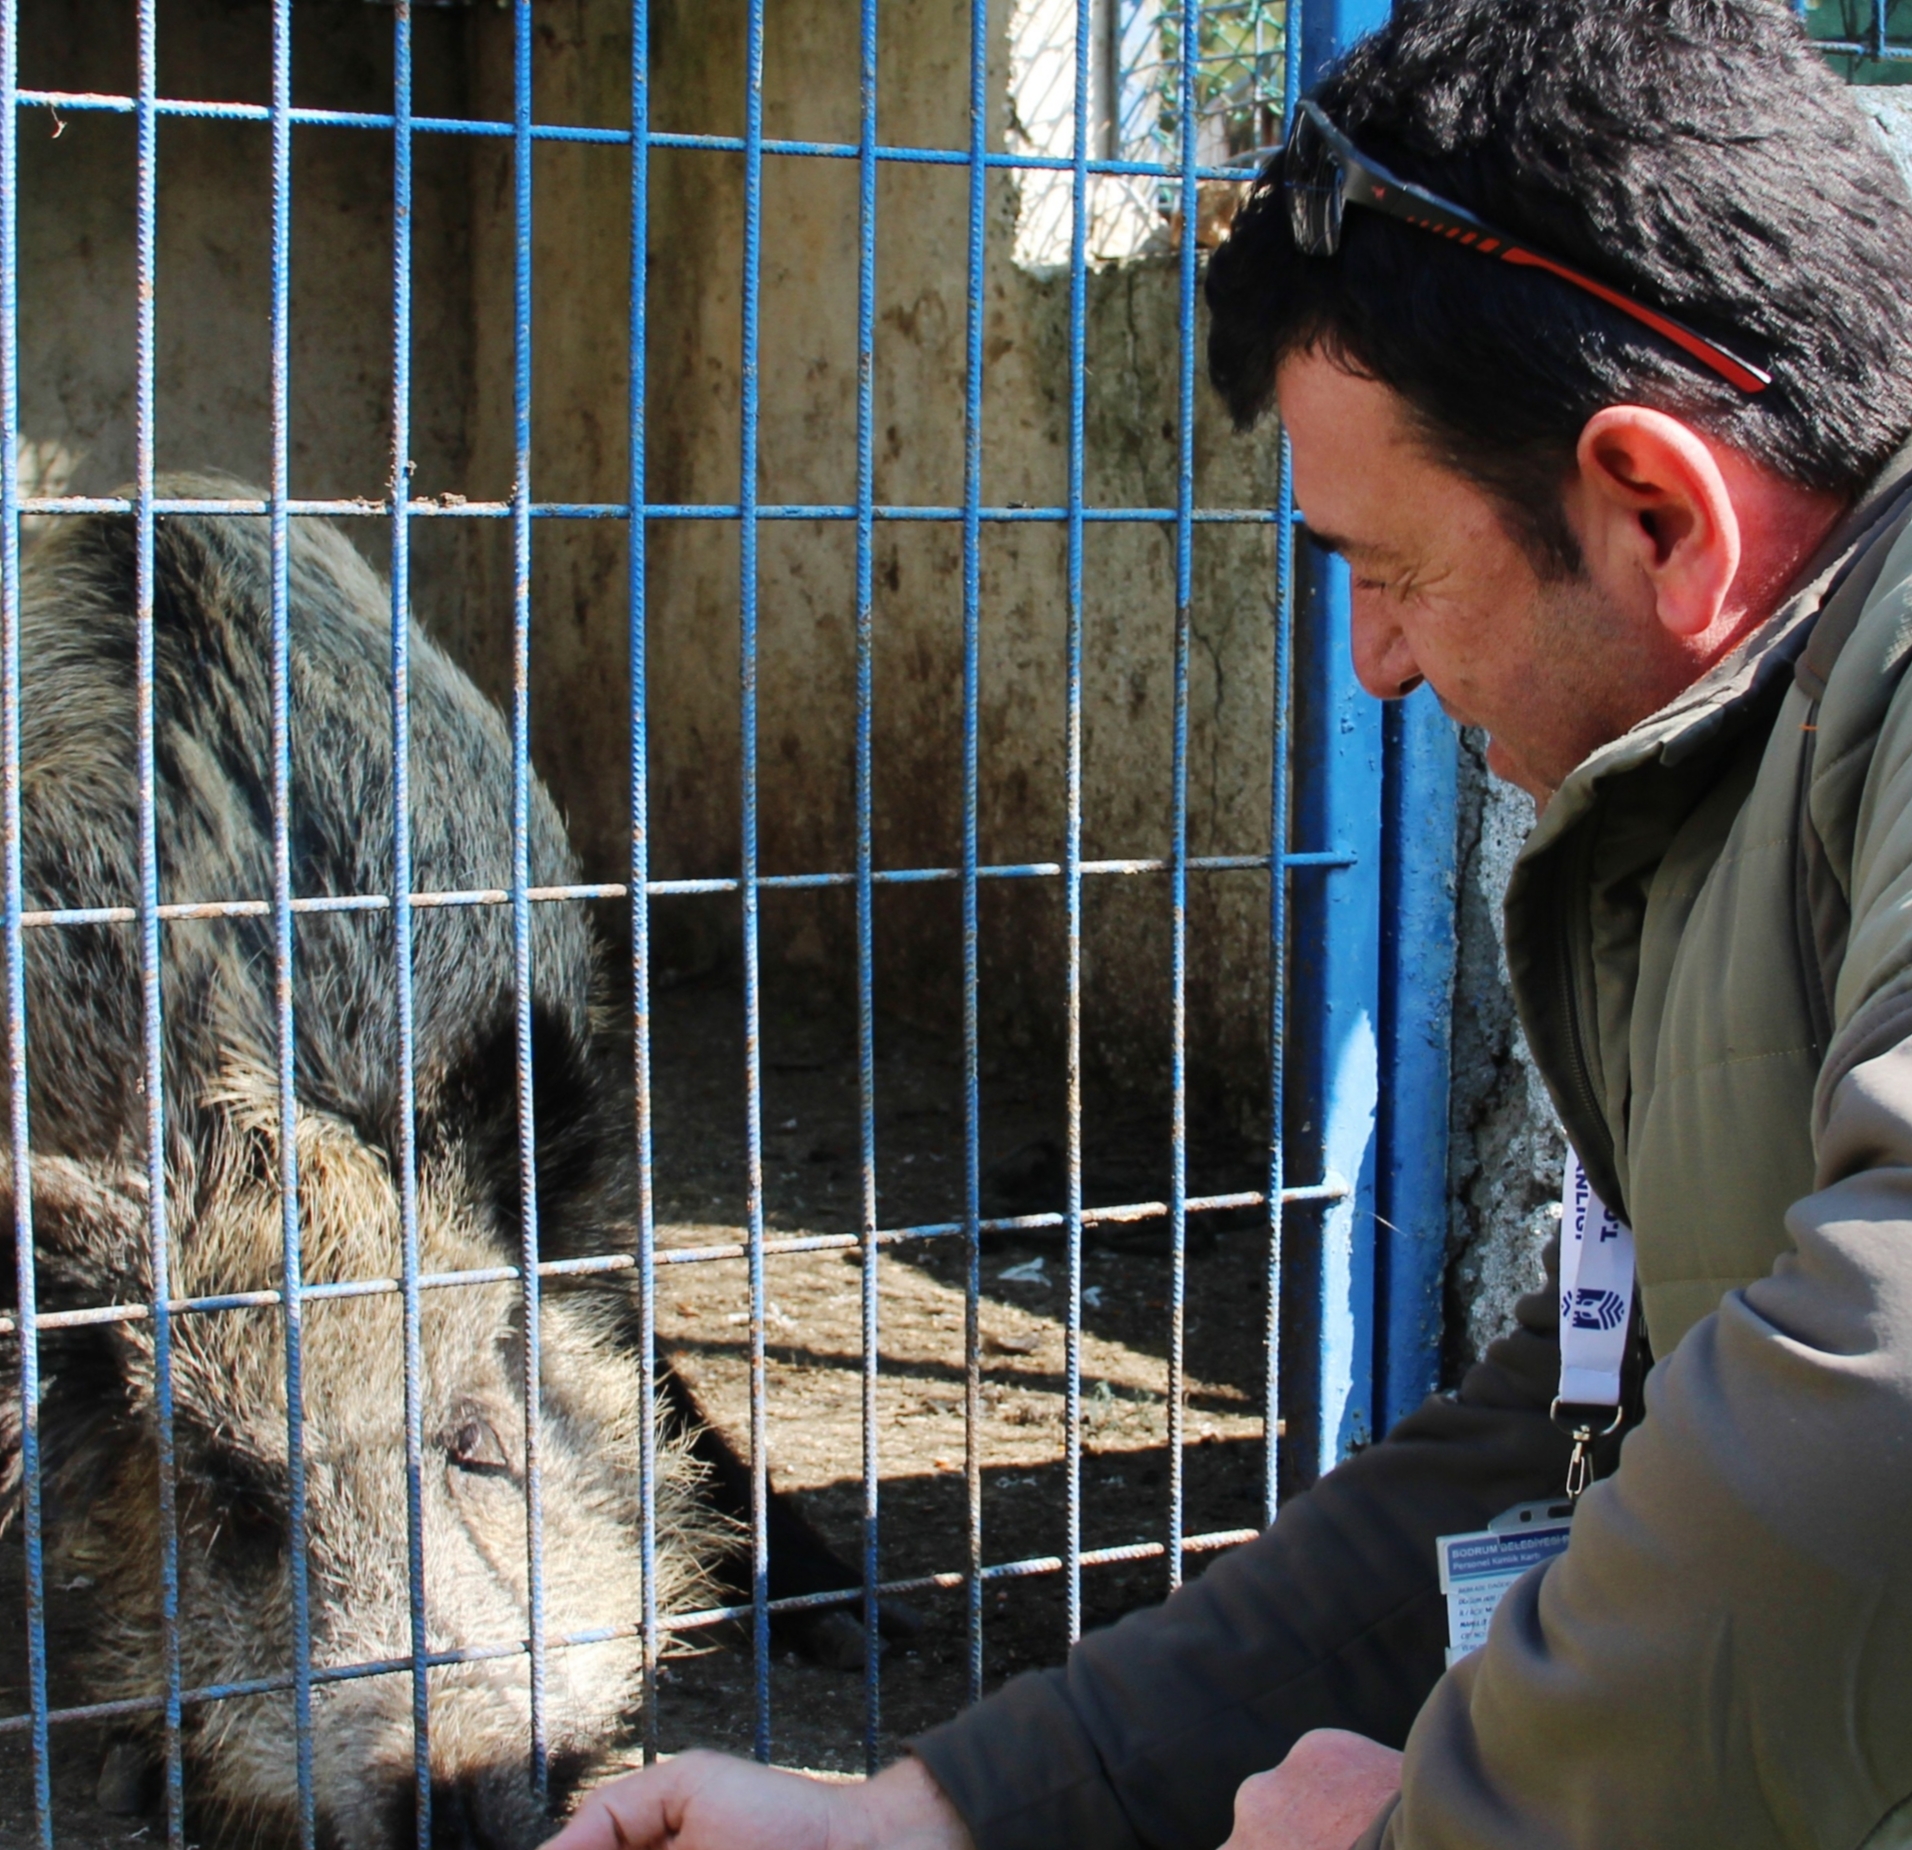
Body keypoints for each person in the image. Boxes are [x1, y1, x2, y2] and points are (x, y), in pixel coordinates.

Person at [548, 1, 1912, 1843]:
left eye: (1394, 570)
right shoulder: (1740, 762)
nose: (1374, 664)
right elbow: (1607, 1421)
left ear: (1657, 512)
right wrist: (941, 1813)